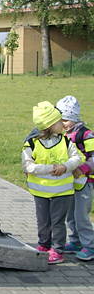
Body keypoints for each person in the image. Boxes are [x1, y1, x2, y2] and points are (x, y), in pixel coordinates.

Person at [23, 101, 82, 265]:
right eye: (58, 121)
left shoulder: (66, 142)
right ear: (49, 125)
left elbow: (77, 158)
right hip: (40, 192)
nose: (62, 124)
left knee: (57, 222)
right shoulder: (32, 143)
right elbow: (28, 166)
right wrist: (50, 168)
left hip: (62, 191)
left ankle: (57, 250)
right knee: (43, 221)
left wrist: (65, 167)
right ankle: (43, 245)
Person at [55, 96, 94, 261]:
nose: (63, 123)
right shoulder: (63, 135)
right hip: (69, 183)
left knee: (81, 215)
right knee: (70, 214)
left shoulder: (85, 135)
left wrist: (84, 168)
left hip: (85, 182)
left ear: (74, 118)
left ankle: (90, 246)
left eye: (66, 120)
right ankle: (76, 241)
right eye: (60, 120)